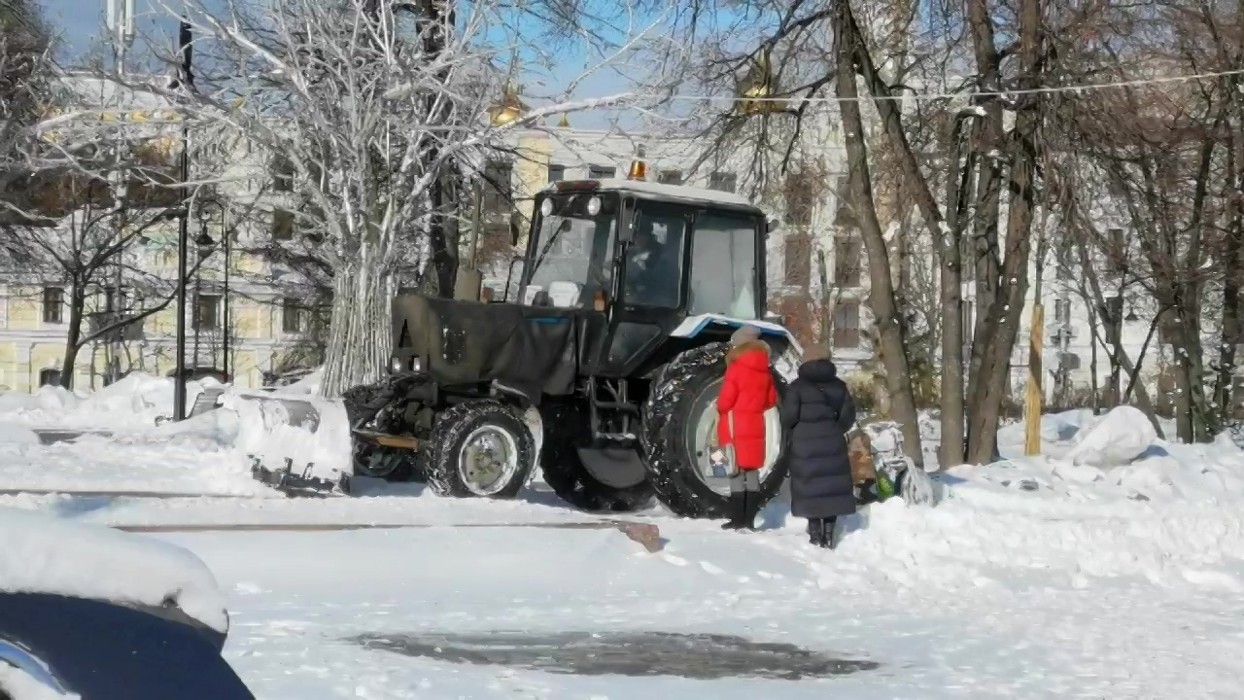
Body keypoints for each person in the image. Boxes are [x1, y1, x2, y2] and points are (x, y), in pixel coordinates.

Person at [779, 346, 857, 548]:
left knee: (809, 487)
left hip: (805, 443)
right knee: (831, 488)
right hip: (832, 440)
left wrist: (796, 430)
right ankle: (829, 535)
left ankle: (815, 534)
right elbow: (848, 415)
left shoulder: (797, 387)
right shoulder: (839, 385)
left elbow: (788, 417)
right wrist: (835, 429)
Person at [715, 324, 778, 531]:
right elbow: (770, 401)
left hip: (734, 426)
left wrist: (722, 406)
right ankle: (749, 520)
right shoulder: (765, 371)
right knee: (752, 473)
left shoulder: (736, 368)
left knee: (734, 471)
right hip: (755, 425)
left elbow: (725, 402)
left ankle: (736, 519)